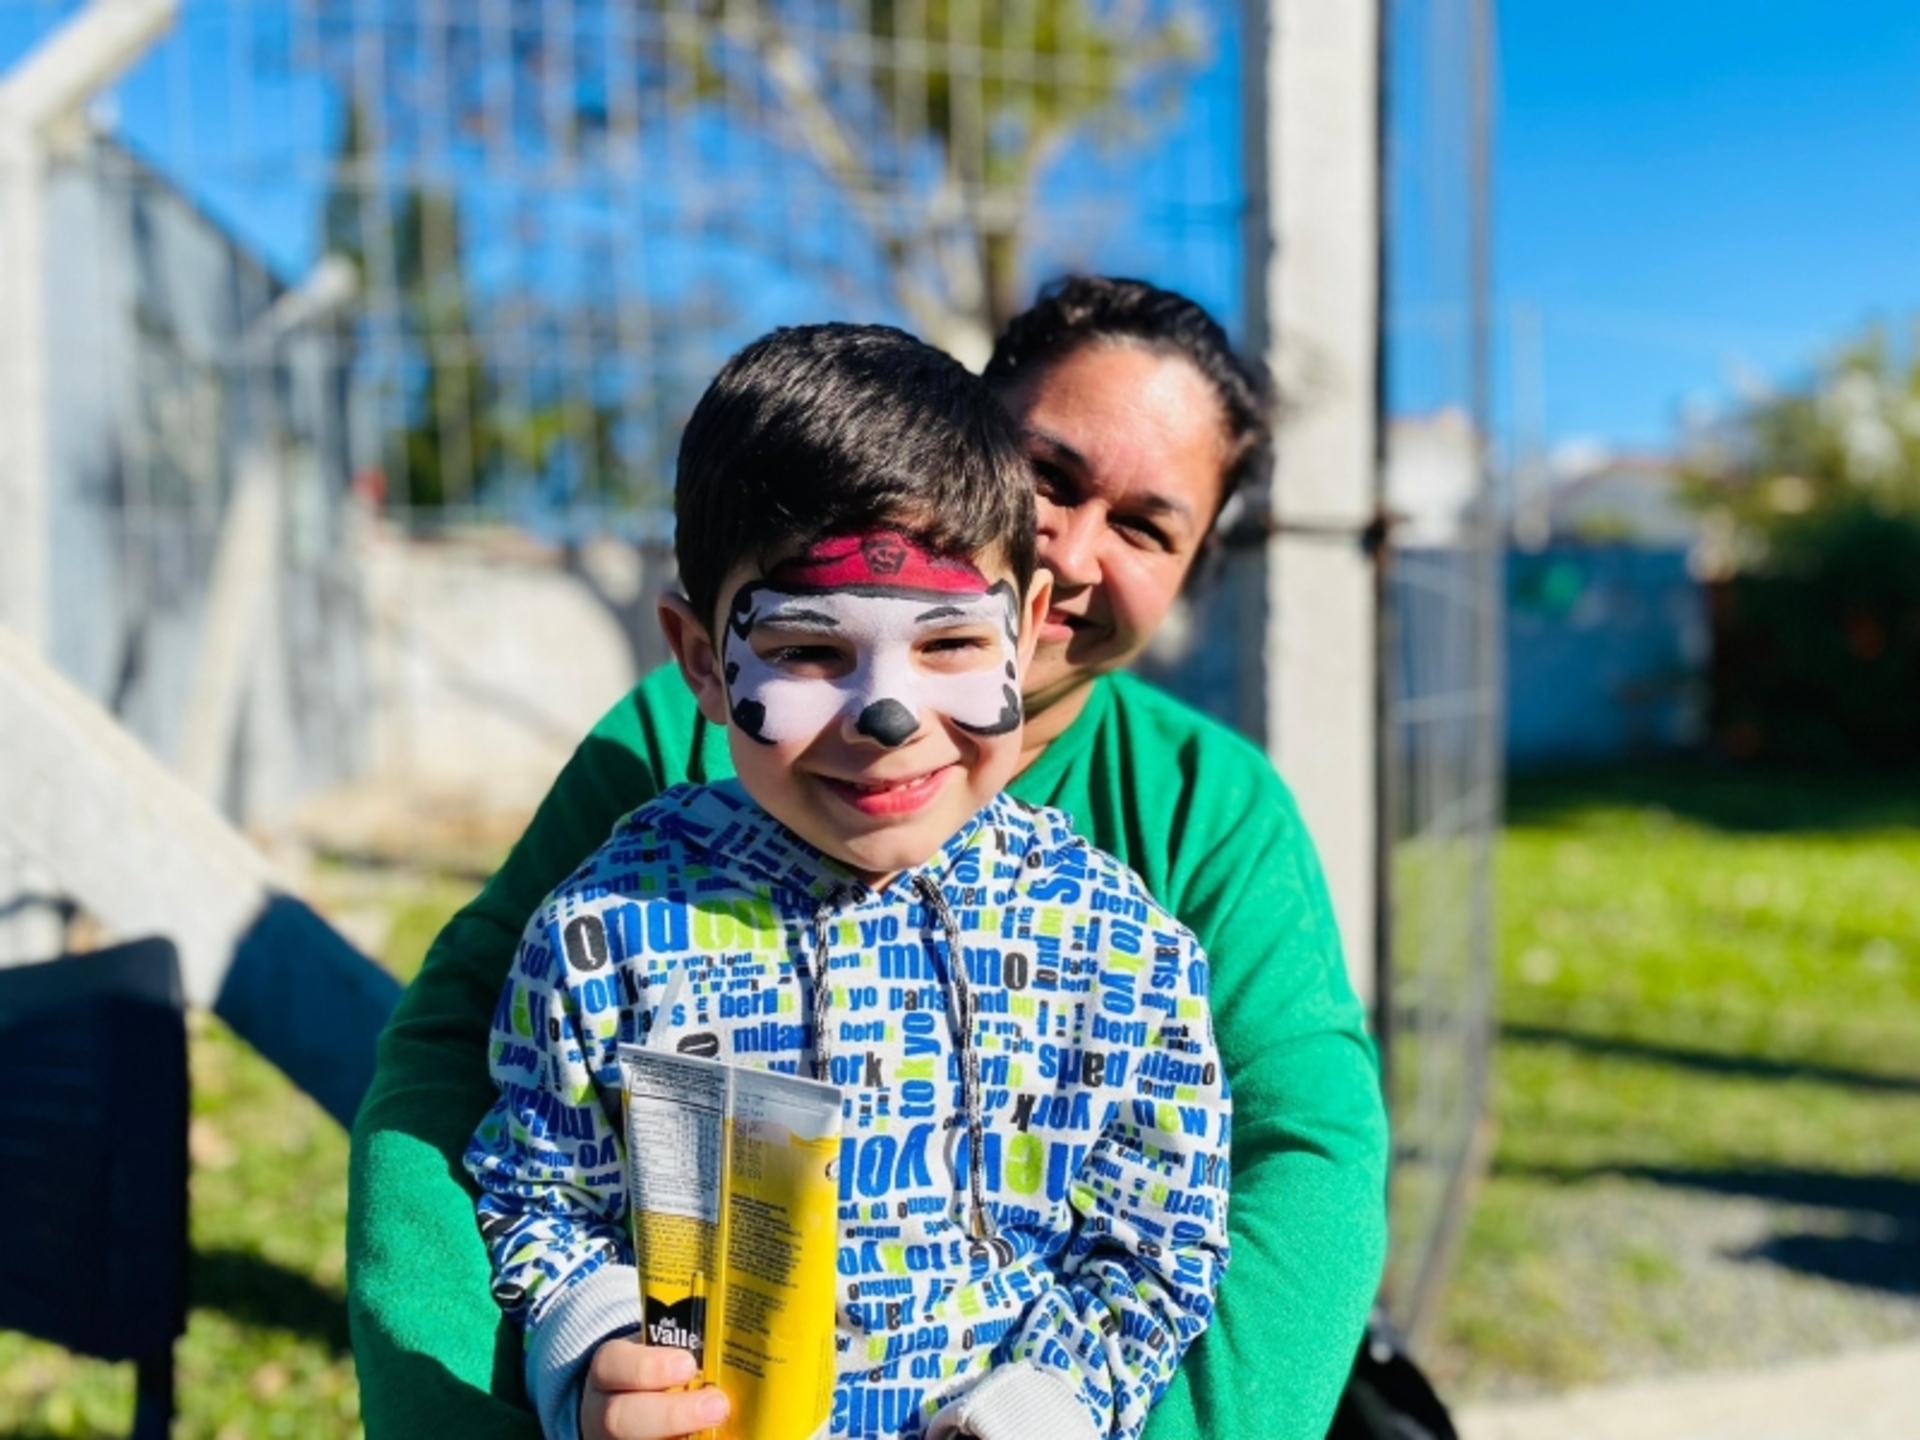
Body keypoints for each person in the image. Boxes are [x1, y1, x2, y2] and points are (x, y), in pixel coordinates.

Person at [347, 276, 1389, 1440]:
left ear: (1193, 567)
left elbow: (1295, 1166)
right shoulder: (656, 803)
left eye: (1147, 526)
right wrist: (568, 1363)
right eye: (1049, 475)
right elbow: (486, 1090)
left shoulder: (1183, 841)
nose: (1080, 547)